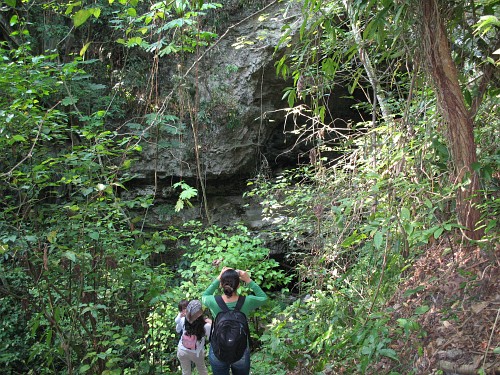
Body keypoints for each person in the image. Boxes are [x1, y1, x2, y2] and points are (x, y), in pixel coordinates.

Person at [202, 266, 268, 375]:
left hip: (218, 348)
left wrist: (219, 277)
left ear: (221, 285)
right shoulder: (247, 301)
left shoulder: (212, 301)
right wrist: (248, 280)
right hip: (240, 349)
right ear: (238, 285)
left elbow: (204, 295)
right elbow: (263, 298)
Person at [176, 299, 211, 375]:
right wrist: (211, 323)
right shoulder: (206, 326)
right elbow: (211, 337)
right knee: (202, 371)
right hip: (196, 352)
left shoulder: (183, 320)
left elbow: (178, 330)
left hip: (182, 350)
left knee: (186, 372)